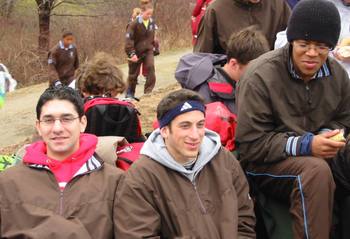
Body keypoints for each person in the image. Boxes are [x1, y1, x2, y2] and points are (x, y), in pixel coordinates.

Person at [236, 0, 350, 238]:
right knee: (315, 170)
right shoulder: (260, 76)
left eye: (321, 46)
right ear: (291, 41)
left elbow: (344, 119)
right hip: (266, 165)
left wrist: (327, 136)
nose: (311, 53)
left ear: (331, 47)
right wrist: (307, 145)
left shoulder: (337, 75)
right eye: (304, 44)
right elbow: (251, 145)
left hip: (320, 152)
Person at [115, 89, 255, 238]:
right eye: (185, 126)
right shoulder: (141, 177)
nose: (195, 135)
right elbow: (137, 234)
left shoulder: (224, 160)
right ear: (164, 131)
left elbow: (245, 217)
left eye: (200, 125)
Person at [0, 86, 124, 238]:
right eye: (48, 120)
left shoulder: (115, 182)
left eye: (66, 119)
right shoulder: (8, 182)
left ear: (82, 123)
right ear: (38, 127)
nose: (57, 128)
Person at [178, 26, 269, 114]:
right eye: (252, 70)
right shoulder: (206, 93)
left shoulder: (241, 84)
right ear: (234, 64)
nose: (256, 75)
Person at [275, 0, 350, 77]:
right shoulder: (316, 6)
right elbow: (281, 43)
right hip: (305, 78)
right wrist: (304, 46)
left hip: (340, 79)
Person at [194, 0, 291, 54]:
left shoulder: (279, 6)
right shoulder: (216, 10)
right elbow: (200, 59)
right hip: (229, 84)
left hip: (269, 81)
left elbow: (294, 47)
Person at [125, 2, 158, 99]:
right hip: (136, 51)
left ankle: (148, 91)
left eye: (151, 14)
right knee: (133, 74)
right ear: (142, 12)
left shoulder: (151, 22)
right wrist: (132, 53)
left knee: (151, 67)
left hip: (148, 50)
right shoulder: (133, 24)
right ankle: (130, 93)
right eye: (148, 14)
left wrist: (154, 46)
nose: (149, 16)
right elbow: (128, 39)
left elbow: (153, 36)